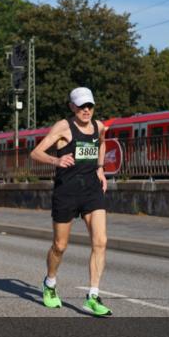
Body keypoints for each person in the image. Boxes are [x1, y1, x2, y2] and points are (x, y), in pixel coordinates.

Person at [30, 86, 111, 317]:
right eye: (81, 106)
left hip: (92, 191)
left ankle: (93, 296)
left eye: (90, 105)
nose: (86, 110)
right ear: (72, 107)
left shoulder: (99, 126)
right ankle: (50, 283)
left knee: (101, 241)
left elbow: (102, 143)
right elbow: (35, 153)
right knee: (60, 246)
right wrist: (56, 161)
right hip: (66, 192)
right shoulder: (63, 127)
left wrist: (100, 168)